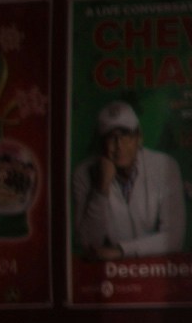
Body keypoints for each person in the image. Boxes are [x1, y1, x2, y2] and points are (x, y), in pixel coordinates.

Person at [79, 97, 190, 264]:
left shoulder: (165, 165)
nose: (119, 145)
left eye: (126, 135)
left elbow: (174, 238)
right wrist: (100, 189)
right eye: (111, 137)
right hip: (110, 275)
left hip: (155, 270)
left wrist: (120, 251)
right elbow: (89, 245)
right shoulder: (83, 173)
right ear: (101, 143)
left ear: (139, 137)